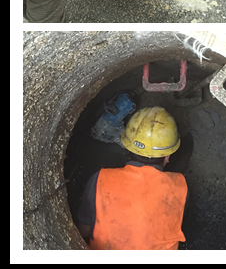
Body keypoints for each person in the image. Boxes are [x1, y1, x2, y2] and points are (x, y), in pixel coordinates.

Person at [77, 106, 188, 250]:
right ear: (167, 156)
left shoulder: (100, 179)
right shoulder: (181, 186)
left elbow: (83, 230)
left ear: (128, 147)